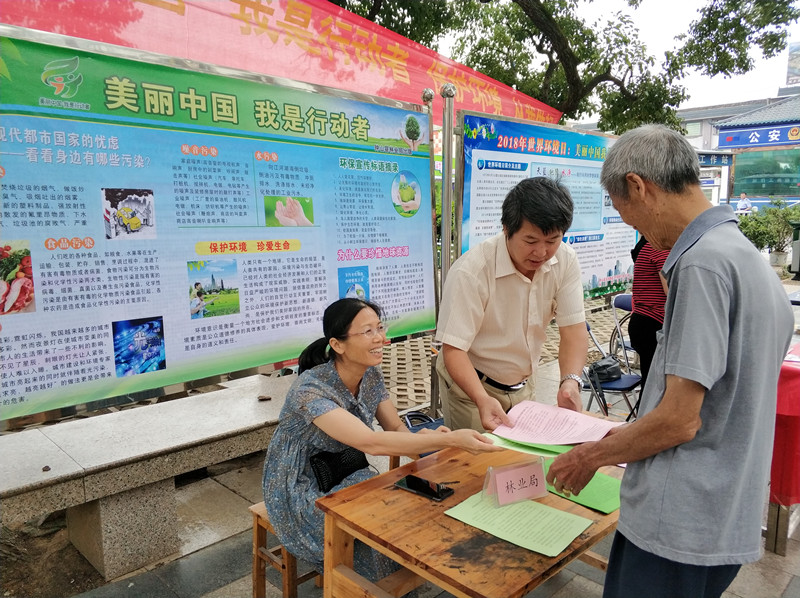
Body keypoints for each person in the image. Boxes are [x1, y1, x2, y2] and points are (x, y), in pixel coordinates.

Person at [546, 125, 793, 598]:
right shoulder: (746, 257)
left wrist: (591, 456)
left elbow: (680, 420)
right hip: (725, 509)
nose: (632, 227)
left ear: (639, 186)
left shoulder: (702, 265)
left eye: (625, 212)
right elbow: (729, 393)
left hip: (678, 521)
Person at [262, 298, 501, 587]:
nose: (381, 338)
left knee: (402, 509)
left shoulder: (370, 372)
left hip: (345, 470)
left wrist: (423, 438)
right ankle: (362, 588)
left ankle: (389, 586)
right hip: (300, 487)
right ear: (337, 345)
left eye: (379, 327)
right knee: (377, 528)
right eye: (368, 332)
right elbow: (371, 443)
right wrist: (453, 439)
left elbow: (395, 426)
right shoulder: (310, 390)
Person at [435, 176, 588, 432]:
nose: (541, 253)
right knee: (476, 466)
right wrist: (483, 399)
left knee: (521, 465)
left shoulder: (565, 260)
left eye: (552, 241)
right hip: (472, 386)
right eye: (530, 241)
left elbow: (573, 329)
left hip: (524, 385)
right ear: (507, 228)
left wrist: (570, 381)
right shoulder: (472, 271)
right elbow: (453, 350)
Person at [628, 237, 669, 387]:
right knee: (654, 386)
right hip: (652, 323)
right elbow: (671, 291)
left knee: (651, 383)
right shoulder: (660, 249)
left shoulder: (649, 246)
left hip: (644, 322)